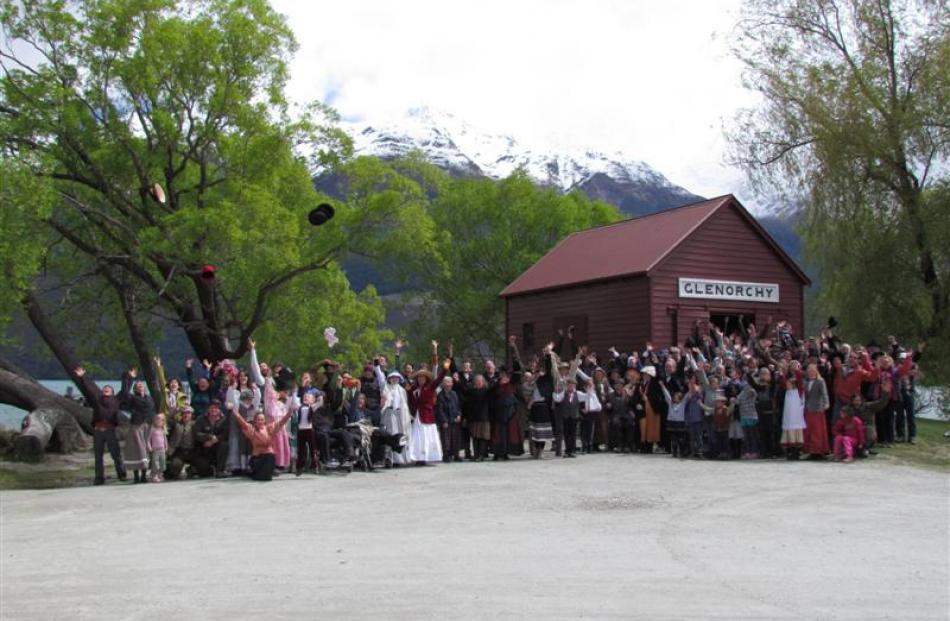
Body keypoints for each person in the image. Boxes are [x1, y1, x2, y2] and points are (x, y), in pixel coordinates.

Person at [74, 367, 127, 485]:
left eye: (108, 389)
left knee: (116, 455)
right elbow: (90, 388)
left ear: (112, 393)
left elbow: (125, 390)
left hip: (111, 430)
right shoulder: (98, 400)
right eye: (104, 389)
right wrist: (83, 376)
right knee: (98, 456)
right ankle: (99, 477)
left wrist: (128, 377)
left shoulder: (116, 400)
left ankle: (122, 474)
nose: (106, 389)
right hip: (98, 431)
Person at [233, 408, 295, 481]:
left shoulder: (270, 428)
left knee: (269, 457)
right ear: (255, 421)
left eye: (262, 420)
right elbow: (243, 424)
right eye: (258, 420)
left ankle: (267, 472)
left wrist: (288, 414)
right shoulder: (252, 430)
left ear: (265, 420)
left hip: (268, 458)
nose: (260, 421)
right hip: (257, 459)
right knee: (260, 477)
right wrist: (236, 414)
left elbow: (281, 422)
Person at [120, 368, 154, 483]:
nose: (140, 386)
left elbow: (152, 411)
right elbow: (124, 392)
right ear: (135, 388)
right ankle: (136, 475)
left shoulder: (149, 398)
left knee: (146, 450)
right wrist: (128, 378)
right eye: (138, 385)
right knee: (136, 449)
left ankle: (144, 474)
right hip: (136, 425)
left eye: (141, 385)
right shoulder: (133, 397)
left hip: (148, 425)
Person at [193, 400, 229, 477]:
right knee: (203, 472)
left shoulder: (224, 420)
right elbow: (197, 434)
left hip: (217, 447)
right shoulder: (200, 419)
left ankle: (220, 471)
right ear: (208, 409)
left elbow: (225, 434)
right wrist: (209, 437)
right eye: (211, 408)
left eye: (216, 408)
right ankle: (208, 470)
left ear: (220, 409)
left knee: (224, 445)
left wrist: (214, 441)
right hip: (203, 448)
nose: (213, 410)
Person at [802, 363, 831, 459]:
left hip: (817, 409)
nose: (810, 372)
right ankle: (811, 451)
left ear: (816, 370)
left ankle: (818, 451)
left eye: (812, 370)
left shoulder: (820, 381)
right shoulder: (806, 382)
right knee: (809, 431)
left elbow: (824, 393)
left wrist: (826, 403)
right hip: (808, 409)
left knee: (817, 431)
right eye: (808, 370)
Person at [781, 366, 806, 460]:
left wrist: (796, 370)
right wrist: (781, 374)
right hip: (788, 419)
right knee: (789, 435)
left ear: (793, 384)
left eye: (789, 383)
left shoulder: (798, 391)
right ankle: (790, 452)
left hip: (796, 419)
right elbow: (783, 383)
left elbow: (800, 380)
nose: (787, 385)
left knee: (796, 435)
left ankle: (796, 452)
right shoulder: (788, 392)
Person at [436, 376, 463, 462]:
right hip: (446, 420)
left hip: (455, 420)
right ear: (443, 384)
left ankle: (456, 455)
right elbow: (439, 410)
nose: (449, 384)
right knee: (445, 439)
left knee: (455, 438)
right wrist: (444, 420)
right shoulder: (440, 395)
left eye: (450, 382)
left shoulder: (454, 393)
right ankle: (446, 455)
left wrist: (459, 415)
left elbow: (458, 406)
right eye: (447, 382)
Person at [146, 414, 168, 482]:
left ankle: (160, 474)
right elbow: (148, 439)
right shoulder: (152, 430)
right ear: (154, 421)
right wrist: (149, 446)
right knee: (155, 463)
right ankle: (154, 475)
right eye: (157, 419)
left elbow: (165, 439)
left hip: (162, 449)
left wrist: (166, 446)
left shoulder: (163, 430)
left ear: (163, 422)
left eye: (160, 420)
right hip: (155, 449)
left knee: (162, 462)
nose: (158, 421)